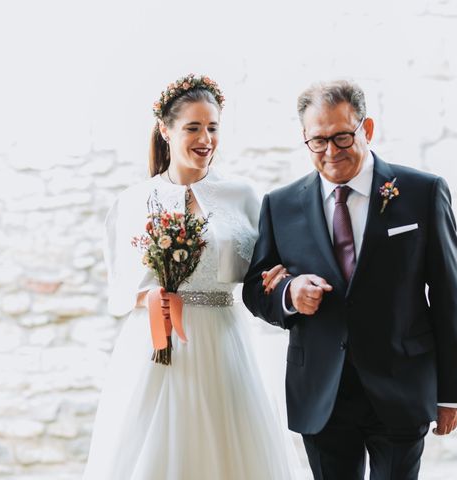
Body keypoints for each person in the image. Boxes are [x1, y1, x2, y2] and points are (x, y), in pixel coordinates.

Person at [243, 79, 457, 480]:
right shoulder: (280, 206)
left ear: (366, 129)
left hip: (400, 385)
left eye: (342, 137)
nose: (331, 152)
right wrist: (289, 294)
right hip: (321, 393)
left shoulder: (423, 192)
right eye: (318, 141)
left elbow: (448, 295)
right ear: (304, 138)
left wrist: (452, 392)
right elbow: (255, 289)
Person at [83, 74, 297, 480]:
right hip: (156, 346)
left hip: (225, 339)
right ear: (166, 130)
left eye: (213, 128)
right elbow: (118, 289)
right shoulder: (133, 201)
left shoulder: (243, 195)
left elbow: (263, 269)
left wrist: (279, 276)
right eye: (193, 128)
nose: (206, 139)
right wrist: (148, 299)